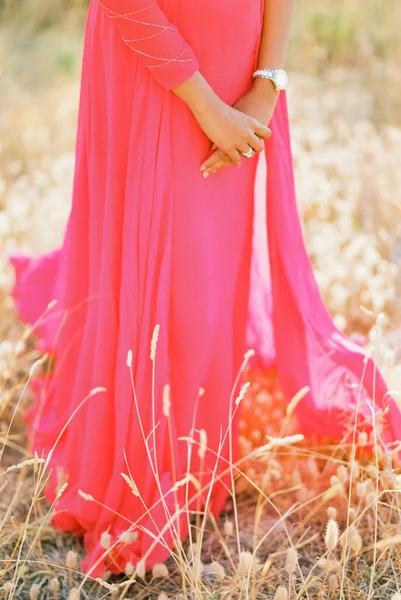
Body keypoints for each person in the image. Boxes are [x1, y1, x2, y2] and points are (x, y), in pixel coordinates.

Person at [8, 0, 401, 578]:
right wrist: (205, 104)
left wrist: (267, 82)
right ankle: (150, 454)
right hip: (150, 63)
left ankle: (198, 450)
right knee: (159, 268)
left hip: (238, 62)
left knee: (210, 268)